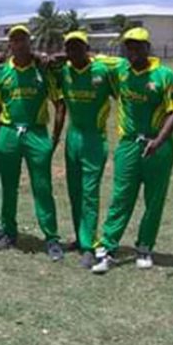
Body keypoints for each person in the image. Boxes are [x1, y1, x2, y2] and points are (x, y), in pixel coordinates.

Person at [91, 27, 173, 274]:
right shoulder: (120, 70)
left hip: (158, 146)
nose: (132, 51)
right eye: (128, 46)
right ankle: (108, 248)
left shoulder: (165, 75)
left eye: (138, 46)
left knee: (154, 200)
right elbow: (89, 58)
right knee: (121, 197)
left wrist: (158, 141)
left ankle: (144, 247)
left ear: (147, 48)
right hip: (129, 144)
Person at [0, 25, 66, 261]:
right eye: (14, 40)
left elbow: (59, 103)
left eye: (23, 39)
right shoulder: (3, 72)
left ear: (29, 43)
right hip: (9, 132)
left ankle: (51, 238)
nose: (19, 44)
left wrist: (55, 137)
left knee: (42, 187)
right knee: (8, 186)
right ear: (10, 44)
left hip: (36, 132)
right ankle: (8, 232)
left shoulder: (42, 70)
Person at [55, 31, 115, 268]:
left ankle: (89, 246)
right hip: (73, 137)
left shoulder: (102, 71)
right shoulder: (64, 71)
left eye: (78, 47)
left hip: (94, 138)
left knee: (90, 193)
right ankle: (81, 238)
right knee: (75, 191)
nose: (73, 52)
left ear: (87, 49)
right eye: (69, 48)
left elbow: (122, 91)